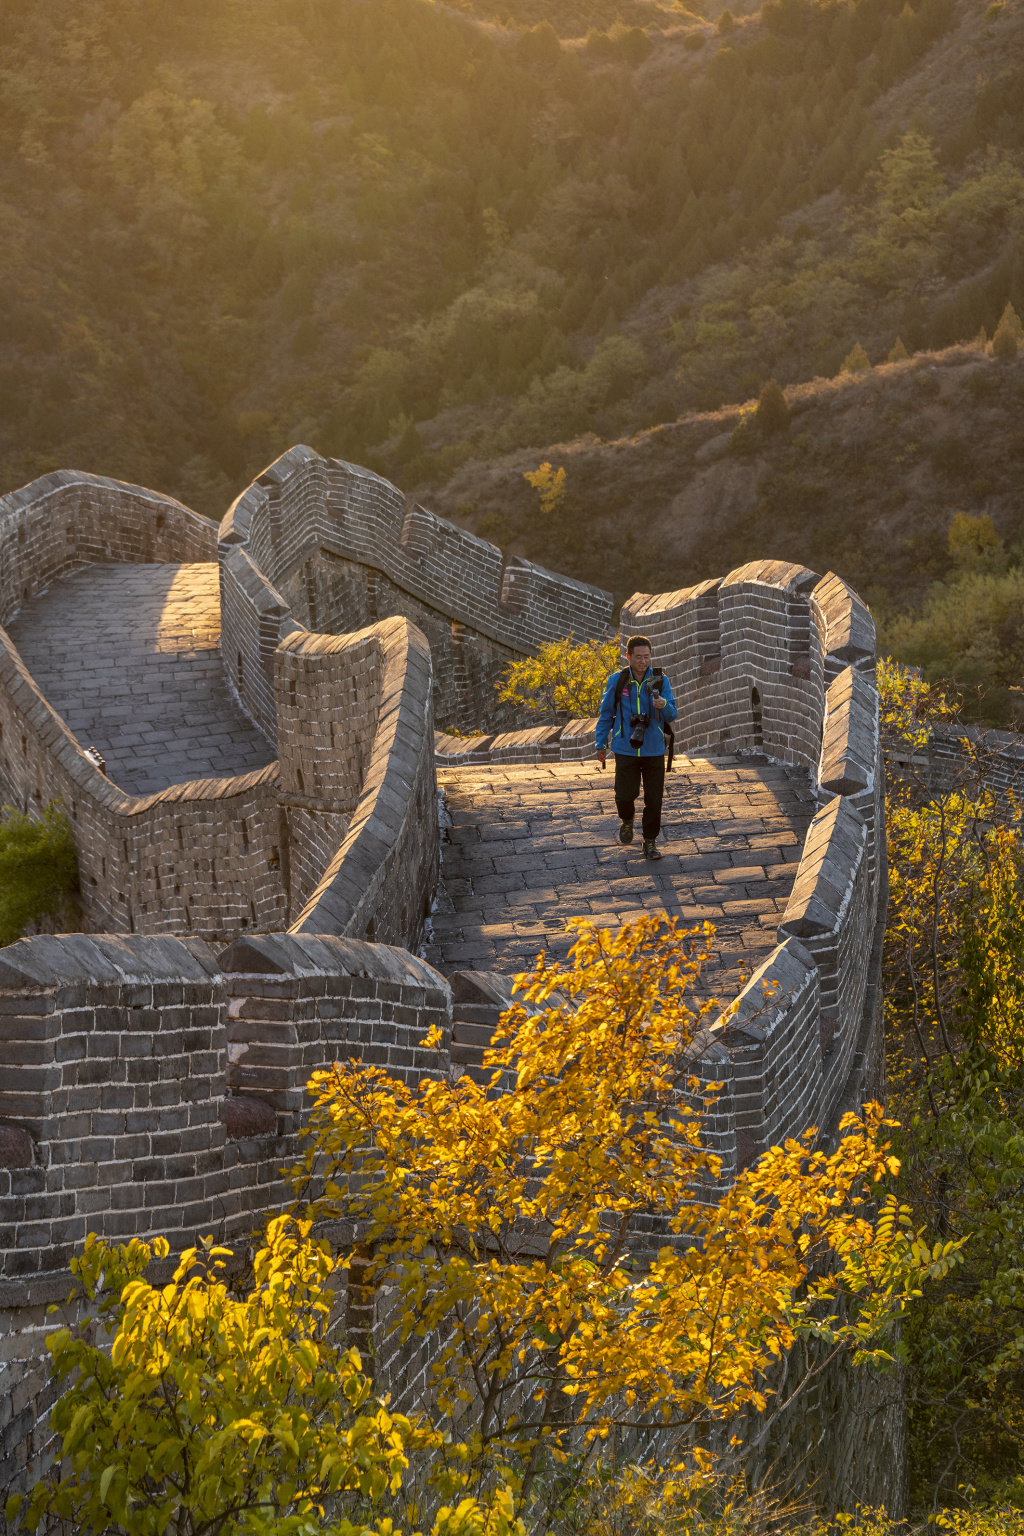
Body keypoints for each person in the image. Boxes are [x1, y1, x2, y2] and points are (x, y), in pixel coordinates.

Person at [595, 635, 677, 860]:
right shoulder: (617, 680)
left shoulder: (661, 680)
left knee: (654, 798)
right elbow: (606, 714)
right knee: (624, 795)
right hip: (625, 747)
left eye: (647, 657)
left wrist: (663, 704)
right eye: (638, 657)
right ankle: (627, 820)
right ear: (628, 656)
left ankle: (650, 841)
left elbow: (672, 713)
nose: (643, 662)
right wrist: (600, 743)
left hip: (653, 748)